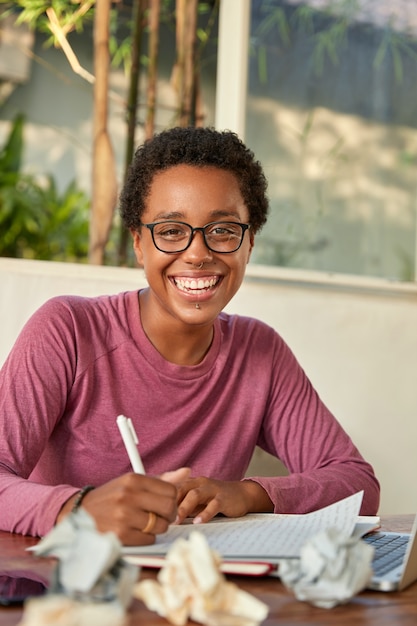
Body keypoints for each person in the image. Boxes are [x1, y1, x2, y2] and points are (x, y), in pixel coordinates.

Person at [0, 127, 380, 546]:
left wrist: (247, 494)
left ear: (249, 243)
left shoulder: (261, 352)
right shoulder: (68, 330)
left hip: (194, 596)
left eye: (221, 231)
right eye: (171, 231)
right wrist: (79, 509)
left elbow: (357, 484)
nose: (198, 254)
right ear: (139, 243)